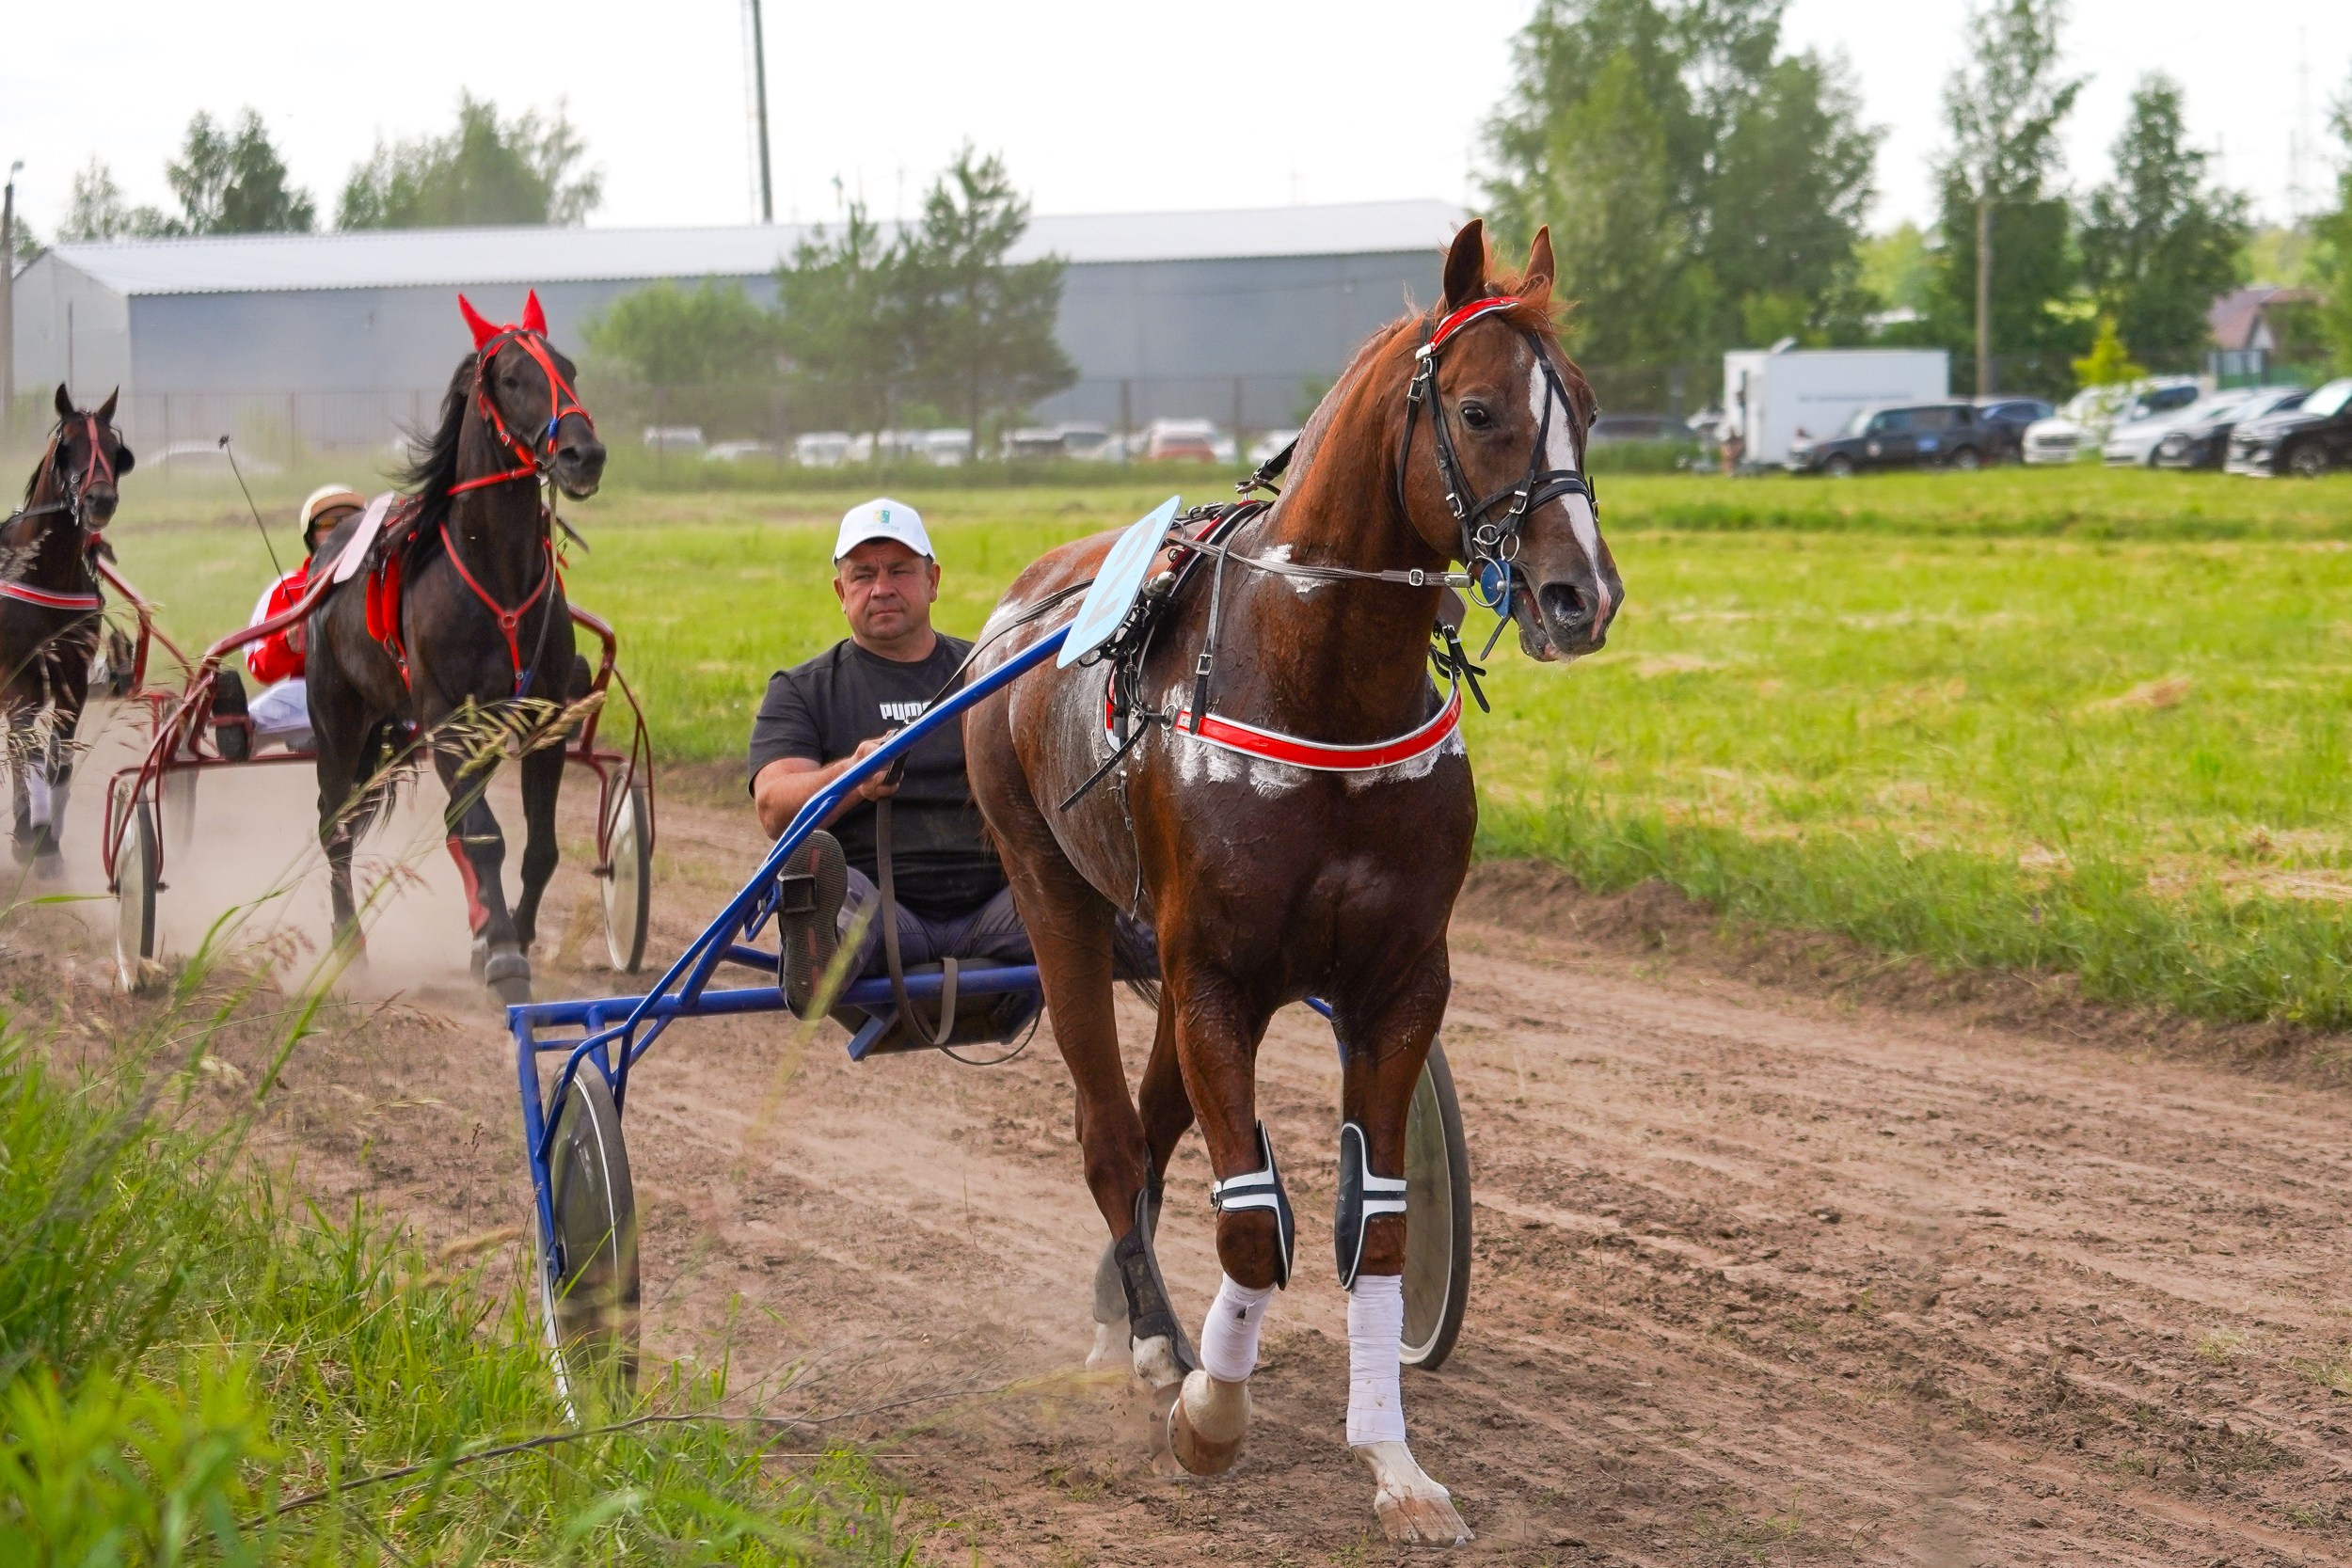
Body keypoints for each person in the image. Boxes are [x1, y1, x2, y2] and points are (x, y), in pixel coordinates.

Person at [748, 499, 1033, 1016]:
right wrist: (851, 779)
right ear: (841, 592)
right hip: (882, 914)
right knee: (837, 892)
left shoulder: (993, 675)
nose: (881, 587)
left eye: (900, 570)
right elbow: (772, 807)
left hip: (997, 909)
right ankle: (817, 957)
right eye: (863, 575)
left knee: (1079, 898)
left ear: (933, 581)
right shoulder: (802, 690)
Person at [214, 484, 364, 757]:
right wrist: (288, 644)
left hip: (380, 695)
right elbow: (260, 667)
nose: (342, 530)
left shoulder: (389, 580)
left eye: (352, 521)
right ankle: (241, 730)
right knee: (285, 697)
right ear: (311, 537)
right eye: (330, 523)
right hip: (314, 697)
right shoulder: (289, 589)